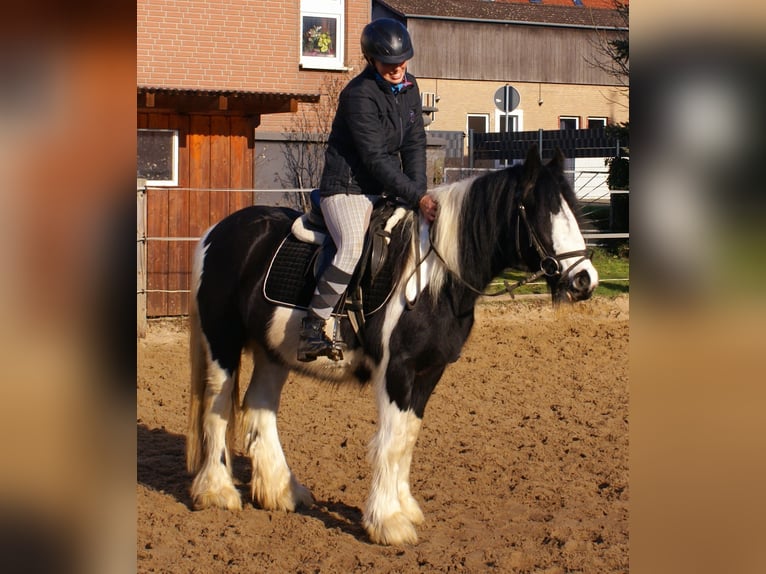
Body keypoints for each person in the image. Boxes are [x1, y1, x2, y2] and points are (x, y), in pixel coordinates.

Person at [297, 18, 439, 362]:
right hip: (347, 190)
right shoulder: (359, 95)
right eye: (390, 63)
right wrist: (415, 196)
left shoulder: (410, 87)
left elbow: (415, 144)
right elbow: (374, 158)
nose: (397, 68)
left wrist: (417, 193)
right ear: (372, 60)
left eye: (403, 61)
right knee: (352, 246)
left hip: (387, 190)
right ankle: (313, 326)